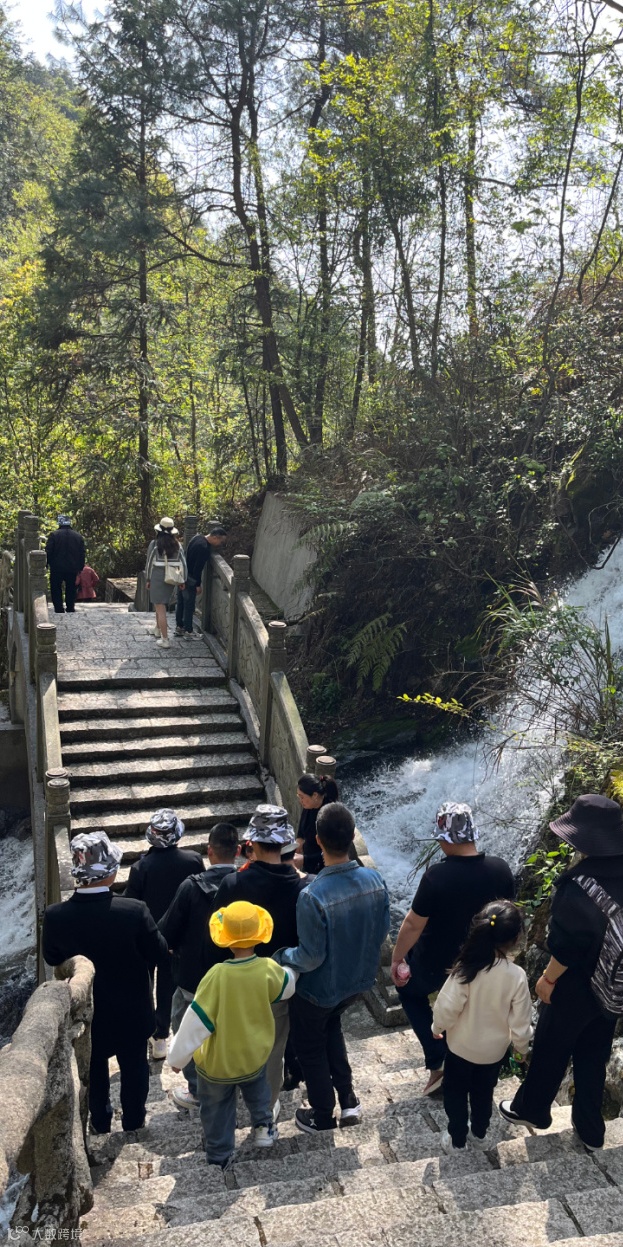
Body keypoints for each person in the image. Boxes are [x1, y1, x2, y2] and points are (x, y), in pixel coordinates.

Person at [499, 794, 623, 1151]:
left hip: (576, 985)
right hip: (613, 986)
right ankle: (590, 1129)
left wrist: (548, 979)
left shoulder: (580, 887)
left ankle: (531, 1110)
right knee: (593, 1055)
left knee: (552, 1046)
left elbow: (567, 948)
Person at [42, 830, 169, 1135]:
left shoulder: (56, 916)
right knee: (135, 1068)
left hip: (87, 1015)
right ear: (110, 872)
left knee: (93, 1071)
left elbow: (51, 957)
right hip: (132, 1010)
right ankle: (134, 1122)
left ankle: (99, 1123)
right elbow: (160, 953)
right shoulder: (134, 911)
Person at [274, 801, 390, 1134]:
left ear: (317, 840)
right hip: (357, 982)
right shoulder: (375, 880)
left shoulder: (312, 895)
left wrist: (280, 956)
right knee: (332, 1029)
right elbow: (382, 932)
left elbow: (310, 957)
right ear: (352, 837)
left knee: (310, 1046)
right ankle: (349, 1100)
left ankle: (323, 1114)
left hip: (319, 989)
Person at [391, 801, 515, 1095]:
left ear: (446, 839)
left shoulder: (436, 876)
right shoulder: (501, 870)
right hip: (484, 962)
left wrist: (397, 959)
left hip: (437, 964)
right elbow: (509, 918)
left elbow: (413, 924)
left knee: (409, 993)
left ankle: (438, 1061)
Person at [167, 901, 298, 1169]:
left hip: (218, 1065)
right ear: (259, 936)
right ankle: (263, 1127)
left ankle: (220, 1155)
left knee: (216, 1110)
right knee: (259, 1093)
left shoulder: (217, 976)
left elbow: (196, 1021)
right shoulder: (267, 969)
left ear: (225, 940)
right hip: (254, 1056)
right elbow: (287, 986)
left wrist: (178, 1058)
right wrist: (291, 969)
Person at [212, 805, 308, 1111]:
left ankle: (230, 1098)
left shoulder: (234, 884)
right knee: (274, 1049)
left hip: (237, 980)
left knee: (233, 1041)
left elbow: (216, 935)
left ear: (251, 842)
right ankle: (265, 1109)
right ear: (286, 842)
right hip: (280, 983)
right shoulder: (303, 888)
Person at [432, 900, 532, 1152]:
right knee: (483, 1093)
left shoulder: (466, 970)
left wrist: (437, 1028)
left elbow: (446, 1007)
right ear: (516, 938)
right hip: (493, 1053)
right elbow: (521, 1022)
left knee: (455, 1093)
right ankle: (479, 1134)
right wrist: (521, 1048)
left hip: (460, 1048)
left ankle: (457, 1140)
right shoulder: (517, 976)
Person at [158, 822, 240, 1109]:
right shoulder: (247, 883)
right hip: (237, 978)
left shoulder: (191, 887)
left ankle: (197, 1089)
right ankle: (237, 1082)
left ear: (209, 851)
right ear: (238, 851)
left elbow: (166, 932)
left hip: (194, 979)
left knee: (185, 1028)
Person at [125, 808, 204, 1060]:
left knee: (144, 983)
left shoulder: (141, 867)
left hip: (147, 934)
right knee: (168, 985)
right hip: (178, 935)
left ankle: (148, 1029)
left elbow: (131, 903)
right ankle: (161, 1035)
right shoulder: (193, 860)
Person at [174, 523, 226, 640]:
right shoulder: (204, 548)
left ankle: (179, 627)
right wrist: (197, 584)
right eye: (221, 541)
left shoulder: (196, 538)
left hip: (182, 575)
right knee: (189, 605)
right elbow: (198, 568)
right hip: (191, 579)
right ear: (215, 537)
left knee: (181, 602)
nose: (220, 544)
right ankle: (188, 631)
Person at [144, 517, 187, 650]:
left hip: (157, 576)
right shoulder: (177, 545)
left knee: (160, 607)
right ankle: (157, 629)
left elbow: (149, 563)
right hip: (171, 577)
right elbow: (183, 563)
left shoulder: (155, 544)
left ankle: (165, 639)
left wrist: (148, 579)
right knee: (160, 604)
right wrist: (182, 580)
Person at [294, 773, 339, 875]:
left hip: (324, 870)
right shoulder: (309, 806)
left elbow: (333, 853)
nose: (300, 801)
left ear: (314, 795)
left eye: (302, 797)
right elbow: (303, 821)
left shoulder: (330, 816)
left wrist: (305, 859)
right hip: (310, 862)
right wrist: (299, 838)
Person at [45, 515, 85, 614]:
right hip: (72, 567)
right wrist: (80, 567)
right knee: (71, 587)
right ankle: (70, 607)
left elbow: (48, 551)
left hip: (56, 567)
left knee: (56, 587)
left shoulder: (54, 535)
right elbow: (82, 553)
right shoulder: (78, 536)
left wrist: (46, 564)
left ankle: (58, 608)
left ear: (59, 523)